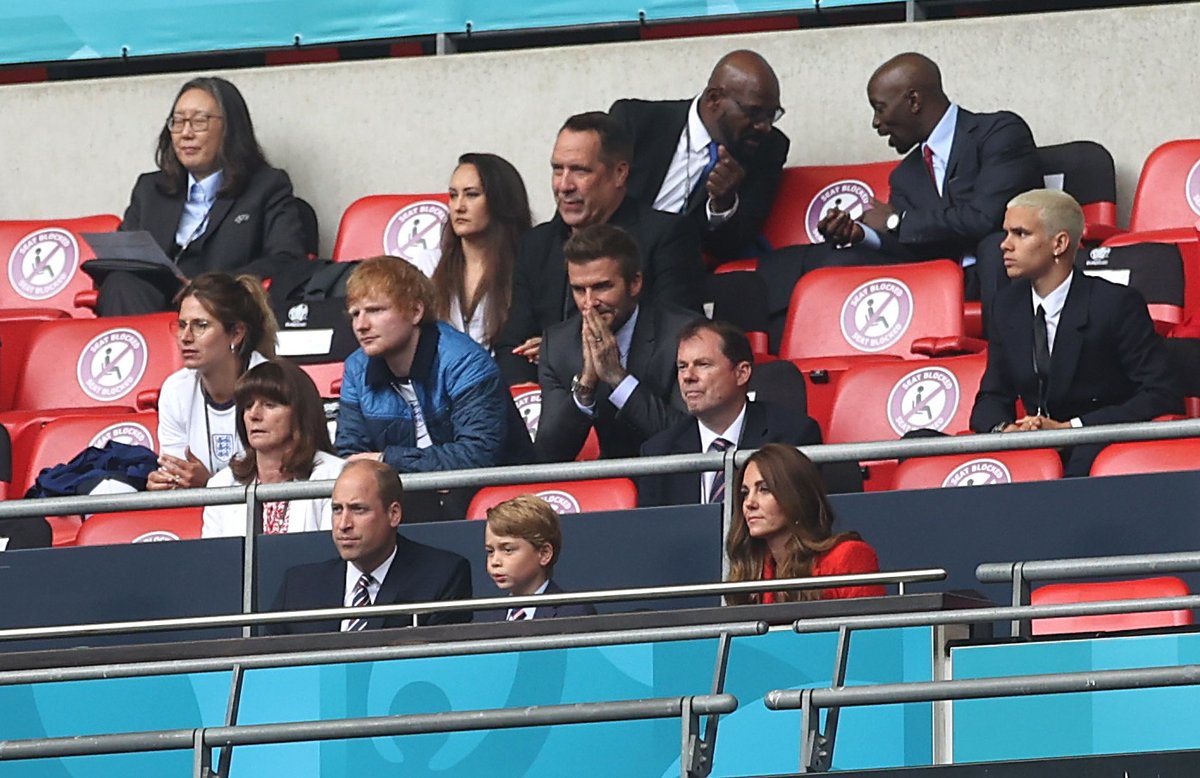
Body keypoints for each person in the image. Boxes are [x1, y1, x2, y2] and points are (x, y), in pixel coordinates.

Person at [756, 52, 1041, 341]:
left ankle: (1009, 371)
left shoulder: (998, 133)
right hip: (933, 283)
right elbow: (912, 249)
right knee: (833, 259)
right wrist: (863, 234)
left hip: (998, 275)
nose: (876, 122)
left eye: (880, 108)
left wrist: (895, 221)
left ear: (913, 101)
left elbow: (988, 218)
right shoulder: (906, 175)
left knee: (996, 246)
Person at [970, 189, 1181, 476]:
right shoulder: (1007, 305)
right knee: (918, 444)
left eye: (1020, 234)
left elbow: (1162, 394)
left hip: (1094, 446)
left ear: (1059, 243)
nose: (1005, 245)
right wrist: (1006, 430)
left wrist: (1070, 429)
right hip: (1031, 449)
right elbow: (992, 396)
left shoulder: (1115, 304)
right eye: (1006, 233)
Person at [495, 111, 704, 384]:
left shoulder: (666, 235)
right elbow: (512, 347)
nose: (564, 186)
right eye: (558, 169)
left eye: (579, 170)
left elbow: (675, 338)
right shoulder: (536, 244)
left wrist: (556, 351)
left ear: (619, 173)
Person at [335, 256, 533, 518]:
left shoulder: (465, 361)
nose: (361, 325)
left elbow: (477, 457)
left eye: (375, 310)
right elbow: (351, 455)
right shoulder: (357, 369)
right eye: (355, 314)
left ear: (416, 312)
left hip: (500, 505)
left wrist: (388, 461)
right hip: (407, 502)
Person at [98, 76, 307, 316]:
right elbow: (123, 260)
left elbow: (287, 259)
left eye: (199, 122)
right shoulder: (150, 189)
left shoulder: (266, 186)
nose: (185, 133)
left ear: (230, 128)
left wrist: (213, 286)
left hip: (220, 311)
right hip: (148, 306)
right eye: (177, 122)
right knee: (120, 282)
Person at [535, 224, 700, 463]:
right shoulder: (557, 345)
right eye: (579, 290)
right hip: (608, 486)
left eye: (602, 287)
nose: (589, 303)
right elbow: (548, 453)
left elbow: (687, 439)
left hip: (670, 481)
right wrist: (586, 384)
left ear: (634, 283)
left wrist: (617, 379)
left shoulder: (684, 334)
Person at [611, 49, 788, 260]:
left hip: (681, 272)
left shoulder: (768, 148)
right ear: (714, 99)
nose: (764, 126)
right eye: (754, 113)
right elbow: (590, 198)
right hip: (613, 257)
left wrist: (724, 205)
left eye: (771, 115)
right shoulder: (636, 122)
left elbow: (734, 245)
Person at [266, 459, 473, 634]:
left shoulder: (442, 576)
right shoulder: (298, 587)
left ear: (394, 514)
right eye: (337, 509)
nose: (344, 524)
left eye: (358, 509)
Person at [639, 320, 822, 506]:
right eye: (682, 366)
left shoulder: (792, 436)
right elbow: (651, 531)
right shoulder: (659, 452)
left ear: (741, 373)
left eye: (703, 364)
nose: (688, 377)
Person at [148, 272, 277, 491]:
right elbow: (176, 473)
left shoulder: (273, 385)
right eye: (181, 325)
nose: (185, 337)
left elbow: (278, 481)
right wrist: (166, 483)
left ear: (236, 333)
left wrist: (209, 485)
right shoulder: (175, 390)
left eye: (200, 325)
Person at [726, 444, 886, 603]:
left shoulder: (847, 557)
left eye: (764, 489)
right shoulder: (753, 573)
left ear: (796, 496)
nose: (749, 503)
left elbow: (871, 628)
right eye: (745, 493)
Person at [202, 360, 345, 537]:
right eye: (247, 406)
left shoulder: (335, 476)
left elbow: (330, 556)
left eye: (269, 405)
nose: (254, 415)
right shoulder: (221, 484)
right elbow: (215, 561)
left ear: (300, 413)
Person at [432, 153, 532, 351]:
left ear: (500, 200)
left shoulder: (529, 265)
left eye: (471, 194)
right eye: (453, 195)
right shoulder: (428, 264)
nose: (459, 207)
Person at [479, 494, 598, 621]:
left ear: (544, 553)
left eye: (508, 550)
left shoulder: (573, 613)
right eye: (490, 551)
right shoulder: (486, 617)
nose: (495, 562)